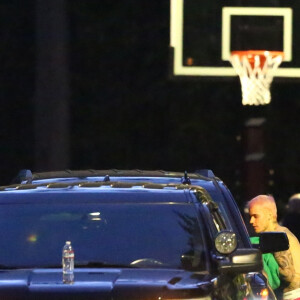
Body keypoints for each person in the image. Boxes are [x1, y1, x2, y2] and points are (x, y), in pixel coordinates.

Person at [248, 195, 300, 300]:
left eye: (255, 216)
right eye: (250, 216)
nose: (251, 221)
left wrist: (263, 272)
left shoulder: (277, 236)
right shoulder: (280, 232)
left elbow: (288, 275)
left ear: (269, 215)